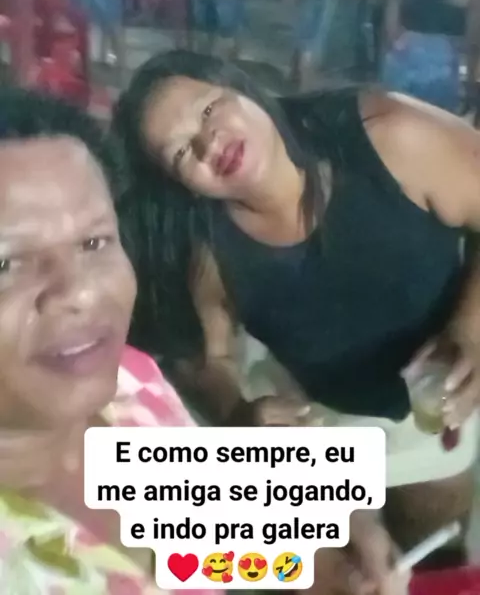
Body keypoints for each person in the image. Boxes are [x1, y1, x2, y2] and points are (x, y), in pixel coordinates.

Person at [0, 88, 404, 595]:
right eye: (6, 263)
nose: (79, 291)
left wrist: (318, 550)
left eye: (94, 242)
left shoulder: (128, 384)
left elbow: (205, 536)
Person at [114, 49, 480, 578]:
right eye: (181, 152)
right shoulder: (203, 248)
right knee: (343, 574)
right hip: (312, 413)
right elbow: (204, 358)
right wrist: (238, 414)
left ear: (242, 86)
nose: (209, 142)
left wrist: (471, 326)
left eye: (209, 109)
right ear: (181, 184)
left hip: (434, 387)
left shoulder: (391, 138)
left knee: (434, 555)